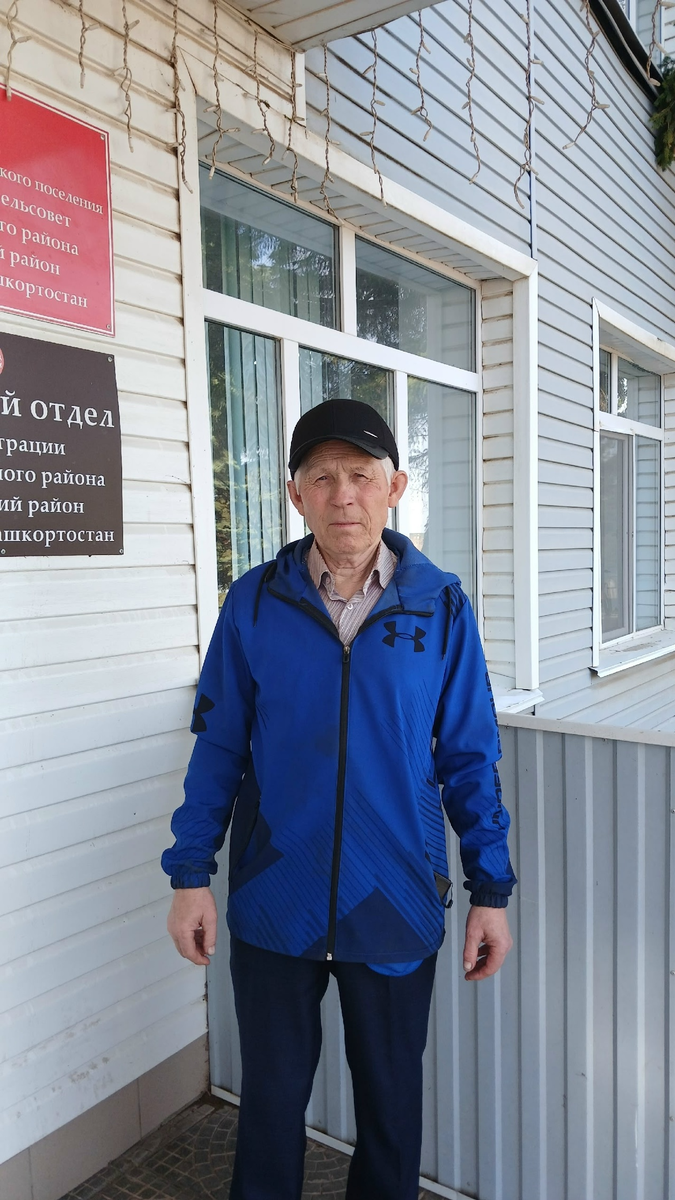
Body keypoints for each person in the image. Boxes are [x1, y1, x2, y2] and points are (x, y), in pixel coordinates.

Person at [162, 399, 516, 1200]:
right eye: (321, 477)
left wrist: (490, 891)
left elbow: (469, 757)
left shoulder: (440, 605)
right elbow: (218, 748)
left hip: (395, 898)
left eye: (360, 475)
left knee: (390, 1109)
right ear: (295, 495)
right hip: (273, 899)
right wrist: (189, 874)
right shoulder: (254, 602)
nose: (342, 495)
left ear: (394, 487)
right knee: (270, 1104)